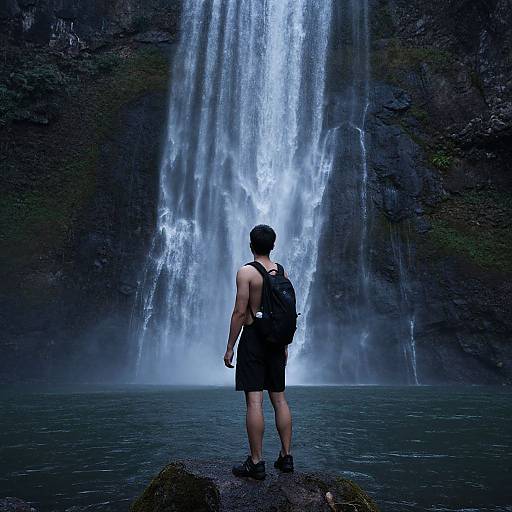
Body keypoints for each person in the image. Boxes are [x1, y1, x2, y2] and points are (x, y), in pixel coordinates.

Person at [223, 224, 294, 480]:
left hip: (254, 340)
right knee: (280, 399)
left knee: (255, 401)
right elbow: (285, 313)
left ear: (251, 245)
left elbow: (240, 312)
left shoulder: (247, 273)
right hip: (276, 342)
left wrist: (230, 346)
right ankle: (286, 457)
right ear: (273, 245)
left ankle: (256, 462)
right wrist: (284, 346)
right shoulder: (282, 272)